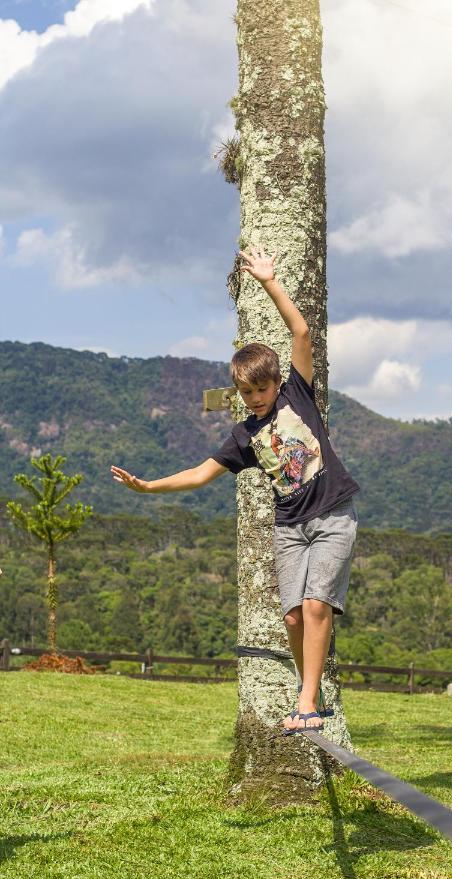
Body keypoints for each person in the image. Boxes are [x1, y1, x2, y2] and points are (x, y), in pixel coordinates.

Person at [111, 246, 359, 733]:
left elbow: (301, 331)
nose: (257, 398)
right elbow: (201, 473)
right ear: (239, 394)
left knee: (315, 606)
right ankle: (309, 686)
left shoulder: (297, 393)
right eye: (248, 394)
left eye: (262, 390)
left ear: (275, 383)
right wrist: (148, 487)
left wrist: (268, 281)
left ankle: (308, 700)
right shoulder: (244, 436)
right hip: (289, 527)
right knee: (292, 618)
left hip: (332, 515)